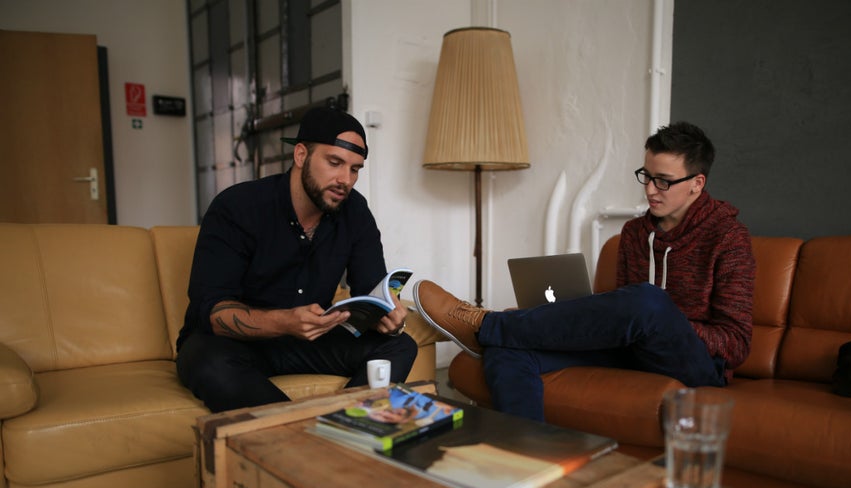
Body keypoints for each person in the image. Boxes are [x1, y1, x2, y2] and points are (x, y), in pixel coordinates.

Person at [413, 121, 755, 421]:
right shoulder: (635, 234)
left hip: (696, 365)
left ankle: (485, 324)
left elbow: (736, 344)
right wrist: (549, 321)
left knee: (649, 303)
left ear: (697, 182)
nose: (650, 189)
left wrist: (666, 323)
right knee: (509, 351)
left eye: (663, 181)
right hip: (630, 351)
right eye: (646, 176)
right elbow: (622, 312)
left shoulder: (728, 237)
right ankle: (528, 461)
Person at [176, 107, 416, 413]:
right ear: (301, 155)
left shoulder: (354, 211)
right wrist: (284, 321)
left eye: (355, 169)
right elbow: (212, 311)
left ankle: (348, 425)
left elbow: (371, 291)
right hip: (233, 345)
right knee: (205, 359)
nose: (346, 179)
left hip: (308, 339)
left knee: (399, 345)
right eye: (334, 163)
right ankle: (306, 436)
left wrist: (389, 317)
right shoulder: (237, 207)